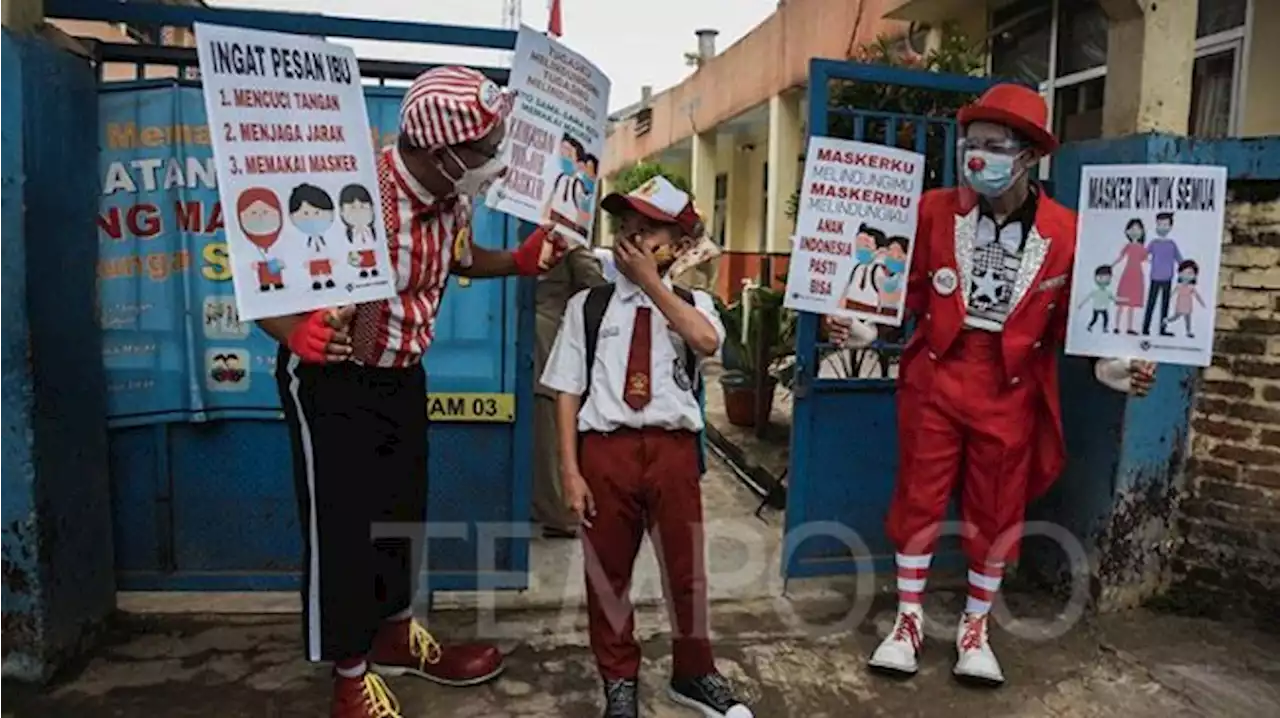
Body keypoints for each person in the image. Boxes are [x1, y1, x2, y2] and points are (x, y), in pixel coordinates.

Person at [255, 66, 567, 718]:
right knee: (342, 527)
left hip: (402, 372)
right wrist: (296, 332)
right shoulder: (352, 188)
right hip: (330, 376)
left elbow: (457, 257)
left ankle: (395, 635)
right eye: (485, 149)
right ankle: (348, 675)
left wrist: (519, 260)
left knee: (401, 510)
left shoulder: (452, 194)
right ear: (438, 151)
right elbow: (262, 272)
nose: (495, 160)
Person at [826, 84, 1156, 688]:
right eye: (971, 144)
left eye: (993, 146)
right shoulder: (932, 211)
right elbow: (906, 294)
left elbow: (1077, 324)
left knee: (997, 508)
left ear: (1029, 156)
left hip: (1012, 386)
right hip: (937, 375)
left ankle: (976, 627)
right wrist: (864, 328)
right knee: (919, 497)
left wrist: (1113, 368)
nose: (976, 157)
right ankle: (908, 622)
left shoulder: (1068, 231)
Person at [541, 176, 753, 718]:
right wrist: (570, 470)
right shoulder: (588, 306)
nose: (632, 233)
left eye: (649, 226)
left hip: (672, 452)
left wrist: (651, 284)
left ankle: (694, 671)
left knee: (686, 572)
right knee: (607, 574)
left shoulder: (693, 302)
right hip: (605, 452)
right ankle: (619, 680)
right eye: (625, 222)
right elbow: (567, 391)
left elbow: (706, 342)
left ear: (679, 245)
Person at [534, 244, 608, 538]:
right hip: (537, 342)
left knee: (546, 430)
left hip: (535, 343)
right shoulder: (563, 239)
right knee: (543, 431)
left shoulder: (562, 241)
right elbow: (598, 287)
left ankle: (556, 510)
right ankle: (554, 510)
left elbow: (595, 288)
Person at [1141, 212, 1183, 336]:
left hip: (1167, 278)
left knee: (1165, 305)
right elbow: (1143, 255)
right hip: (1155, 277)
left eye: (1165, 225)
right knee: (1151, 303)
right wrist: (1149, 261)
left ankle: (1162, 329)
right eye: (1159, 225)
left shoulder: (1172, 244)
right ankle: (1145, 328)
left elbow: (1180, 260)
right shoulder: (1154, 243)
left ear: (1170, 227)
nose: (1162, 228)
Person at [1112, 218, 1148, 335]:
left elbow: (1146, 259)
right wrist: (1111, 265)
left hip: (1137, 275)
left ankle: (1129, 327)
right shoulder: (1127, 246)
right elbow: (1120, 257)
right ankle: (1117, 326)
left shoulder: (1142, 248)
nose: (1134, 231)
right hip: (1127, 274)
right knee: (1122, 302)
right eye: (1132, 229)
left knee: (1132, 303)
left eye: (1138, 229)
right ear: (1127, 232)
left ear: (1142, 231)